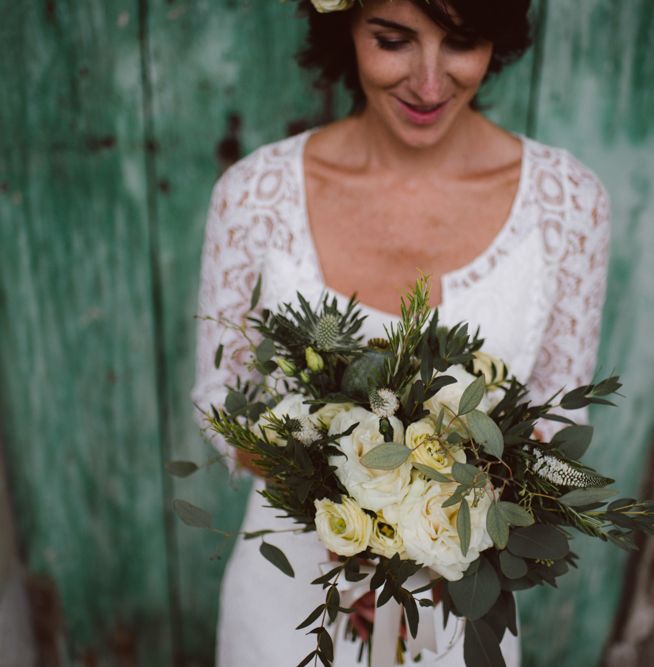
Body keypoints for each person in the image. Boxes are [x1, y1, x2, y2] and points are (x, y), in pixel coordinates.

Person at [190, 0, 610, 664]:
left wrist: (426, 524)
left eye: (462, 42)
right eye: (393, 41)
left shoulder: (567, 204)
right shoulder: (253, 195)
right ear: (344, 28)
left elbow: (555, 423)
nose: (429, 82)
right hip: (288, 599)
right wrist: (345, 487)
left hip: (454, 612)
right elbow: (224, 398)